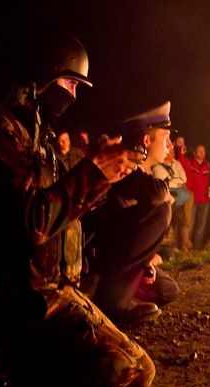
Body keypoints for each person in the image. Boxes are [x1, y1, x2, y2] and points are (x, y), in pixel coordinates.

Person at [0, 33, 154, 387]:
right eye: (70, 83)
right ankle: (11, 364)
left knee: (137, 366)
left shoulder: (32, 132)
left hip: (51, 287)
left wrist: (107, 179)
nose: (74, 95)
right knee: (132, 371)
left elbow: (59, 208)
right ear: (41, 75)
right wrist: (93, 173)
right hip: (21, 296)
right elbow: (29, 223)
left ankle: (22, 357)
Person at [84, 101, 176, 326]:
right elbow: (157, 195)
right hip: (97, 260)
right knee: (161, 211)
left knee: (167, 290)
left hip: (118, 257)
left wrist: (145, 260)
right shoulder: (124, 168)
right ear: (146, 141)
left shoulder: (142, 175)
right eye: (165, 138)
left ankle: (122, 291)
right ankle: (112, 305)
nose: (170, 145)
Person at [186, 144, 210, 249]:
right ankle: (187, 247)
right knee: (190, 225)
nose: (202, 153)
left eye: (203, 151)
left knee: (201, 225)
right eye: (200, 151)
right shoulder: (190, 164)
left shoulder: (208, 166)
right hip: (192, 200)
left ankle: (197, 247)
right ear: (194, 153)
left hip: (205, 200)